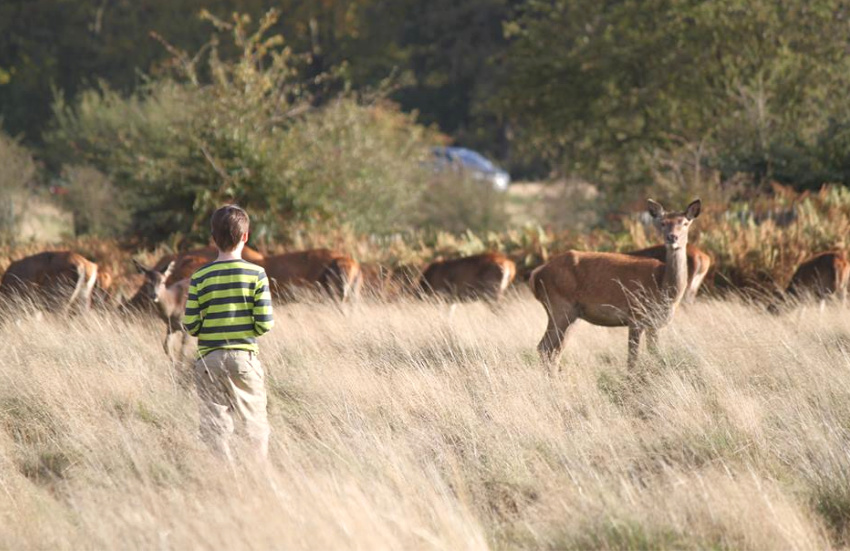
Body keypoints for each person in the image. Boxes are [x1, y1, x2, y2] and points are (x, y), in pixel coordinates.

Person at [183, 205, 274, 461]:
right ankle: (257, 475)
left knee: (215, 425)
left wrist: (208, 328)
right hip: (244, 357)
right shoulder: (257, 273)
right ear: (246, 236)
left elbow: (190, 325)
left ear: (213, 239)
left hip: (209, 360)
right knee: (255, 423)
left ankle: (225, 476)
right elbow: (265, 323)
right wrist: (247, 330)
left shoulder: (200, 276)